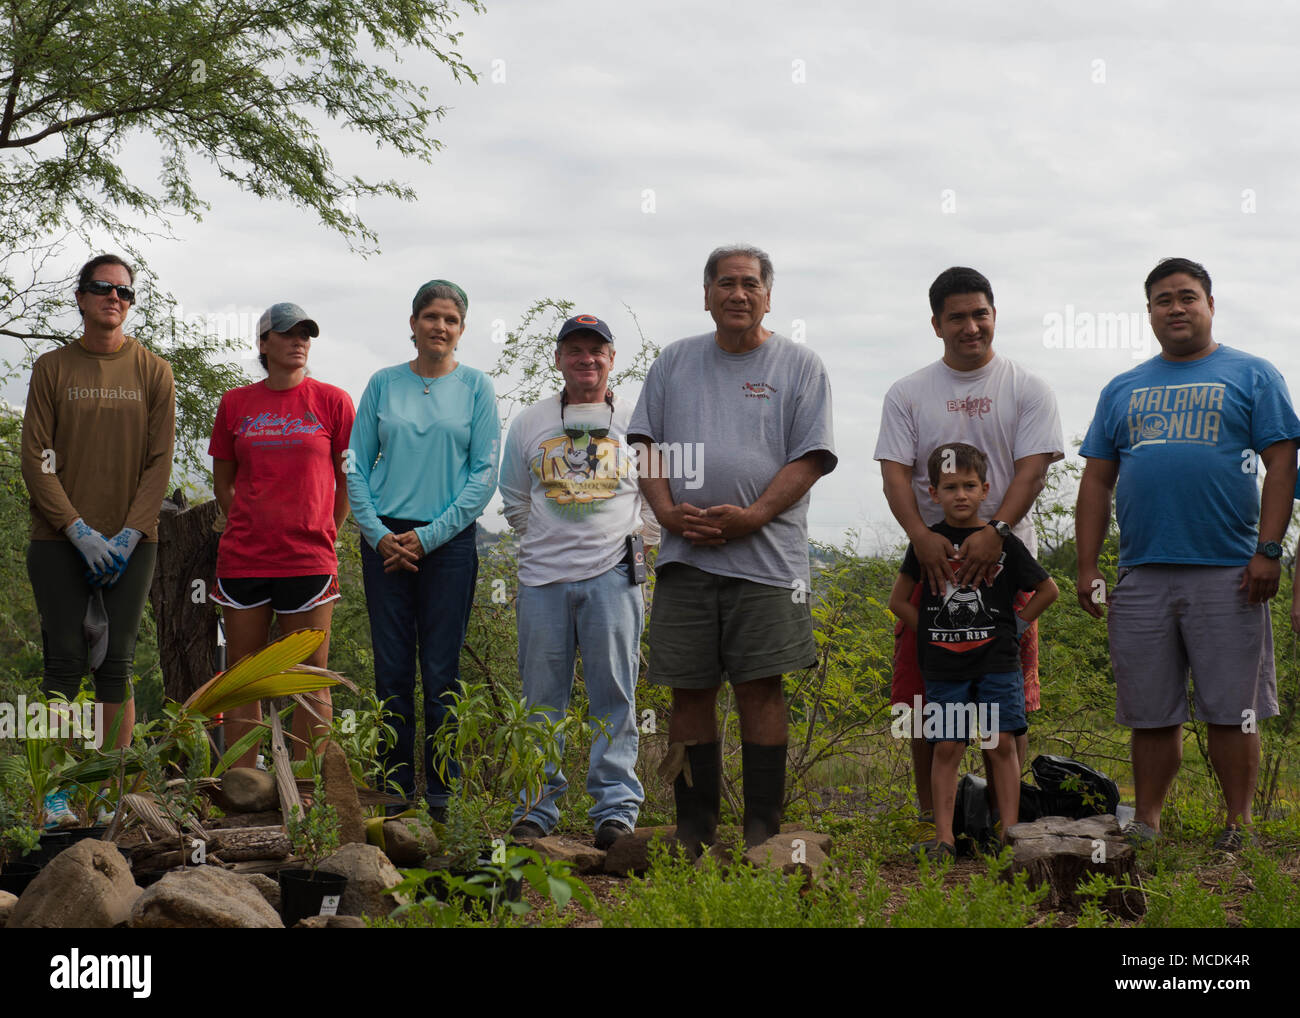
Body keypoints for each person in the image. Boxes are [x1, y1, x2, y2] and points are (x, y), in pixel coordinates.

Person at [1076, 257, 1298, 852]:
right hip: (1143, 572)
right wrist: (1087, 566)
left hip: (1231, 570)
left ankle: (1238, 825)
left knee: (1233, 710)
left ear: (1210, 304)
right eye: (1162, 300)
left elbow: (1283, 463)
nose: (1175, 307)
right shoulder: (1122, 389)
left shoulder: (1253, 374)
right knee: (1150, 712)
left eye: (1187, 296)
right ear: (1148, 312)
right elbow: (1096, 482)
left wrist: (1269, 550)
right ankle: (1146, 823)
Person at [628, 244, 836, 851]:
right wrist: (665, 513)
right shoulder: (674, 362)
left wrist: (754, 516)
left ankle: (761, 830)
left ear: (769, 295)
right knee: (688, 689)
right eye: (726, 283)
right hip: (686, 557)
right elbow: (645, 445)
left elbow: (812, 457)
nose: (737, 294)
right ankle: (694, 830)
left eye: (750, 284)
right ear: (707, 293)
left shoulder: (800, 365)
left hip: (768, 560)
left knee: (761, 685)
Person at [874, 266, 1063, 829]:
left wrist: (996, 532)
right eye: (957, 316)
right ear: (936, 324)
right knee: (925, 702)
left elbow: (1032, 472)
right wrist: (922, 539)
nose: (971, 326)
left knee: (1006, 711)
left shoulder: (1027, 387)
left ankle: (1006, 825)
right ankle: (936, 824)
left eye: (980, 313)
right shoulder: (908, 393)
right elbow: (894, 476)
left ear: (994, 316)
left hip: (1006, 568)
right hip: (932, 569)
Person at [500, 314, 659, 849]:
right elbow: (515, 499)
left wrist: (639, 545)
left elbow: (657, 495)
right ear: (559, 358)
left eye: (597, 350)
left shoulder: (638, 418)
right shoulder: (529, 422)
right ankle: (535, 808)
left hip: (614, 577)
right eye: (575, 350)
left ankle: (615, 811)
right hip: (542, 581)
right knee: (541, 699)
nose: (586, 359)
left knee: (614, 696)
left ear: (612, 359)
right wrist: (547, 543)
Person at [21, 254, 175, 799]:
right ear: (81, 297)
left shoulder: (154, 371)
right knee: (62, 664)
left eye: (125, 292)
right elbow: (38, 457)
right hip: (58, 541)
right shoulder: (52, 368)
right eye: (102, 288)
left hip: (133, 546)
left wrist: (129, 534)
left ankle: (112, 794)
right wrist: (77, 530)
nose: (115, 297)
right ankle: (55, 797)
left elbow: (160, 462)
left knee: (116, 663)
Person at [346, 280, 499, 819]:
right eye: (431, 316)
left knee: (441, 672)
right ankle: (391, 793)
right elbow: (355, 467)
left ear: (462, 329)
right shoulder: (383, 384)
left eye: (451, 319)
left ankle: (441, 797)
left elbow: (484, 476)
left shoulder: (477, 387)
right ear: (412, 323)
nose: (440, 326)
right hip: (384, 543)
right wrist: (379, 534)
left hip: (449, 542)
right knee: (390, 671)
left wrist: (430, 536)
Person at [888, 443, 1058, 860]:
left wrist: (1014, 629)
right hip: (945, 668)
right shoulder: (927, 545)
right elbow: (898, 601)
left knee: (998, 742)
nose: (960, 495)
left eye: (969, 486)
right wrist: (934, 632)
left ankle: (1011, 834)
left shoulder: (1004, 544)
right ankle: (944, 838)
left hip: (997, 665)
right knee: (947, 746)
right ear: (932, 493)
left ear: (986, 489)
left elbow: (1048, 590)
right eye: (950, 487)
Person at [209, 303, 355, 766]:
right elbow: (223, 483)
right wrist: (247, 523)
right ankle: (242, 784)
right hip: (245, 558)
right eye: (288, 334)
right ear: (263, 343)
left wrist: (328, 527)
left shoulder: (333, 401)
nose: (299, 342)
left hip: (308, 559)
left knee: (310, 676)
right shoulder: (235, 403)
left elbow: (349, 477)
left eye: (306, 334)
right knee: (242, 676)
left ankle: (307, 790)